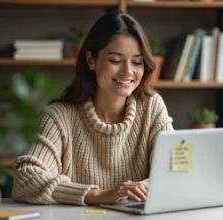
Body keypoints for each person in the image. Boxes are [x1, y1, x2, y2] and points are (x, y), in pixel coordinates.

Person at [12, 10, 173, 206]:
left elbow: (173, 170)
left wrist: (142, 188)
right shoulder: (58, 116)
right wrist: (96, 195)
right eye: (115, 61)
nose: (128, 71)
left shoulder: (152, 107)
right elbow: (25, 179)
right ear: (91, 60)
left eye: (137, 62)